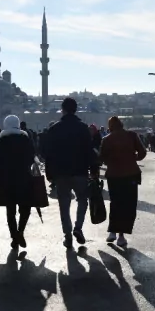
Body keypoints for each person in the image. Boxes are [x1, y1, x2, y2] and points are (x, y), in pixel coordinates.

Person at [41, 97, 93, 249]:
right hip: (80, 171)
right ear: (75, 109)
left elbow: (48, 153)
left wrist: (49, 173)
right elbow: (89, 150)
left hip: (61, 172)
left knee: (64, 204)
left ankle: (68, 235)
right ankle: (78, 227)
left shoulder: (55, 128)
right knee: (82, 200)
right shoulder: (83, 128)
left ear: (62, 110)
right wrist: (93, 169)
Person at [100, 116, 147, 247]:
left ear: (110, 127)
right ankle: (122, 236)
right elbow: (142, 152)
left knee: (115, 202)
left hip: (114, 175)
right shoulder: (132, 136)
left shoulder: (106, 139)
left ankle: (112, 231)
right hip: (131, 174)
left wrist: (112, 161)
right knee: (128, 205)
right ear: (121, 124)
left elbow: (102, 158)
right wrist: (133, 158)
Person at [0, 115, 38, 250]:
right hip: (24, 178)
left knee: (10, 210)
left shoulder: (1, 140)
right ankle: (20, 232)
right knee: (25, 208)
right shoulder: (24, 138)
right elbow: (32, 157)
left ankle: (14, 236)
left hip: (7, 180)